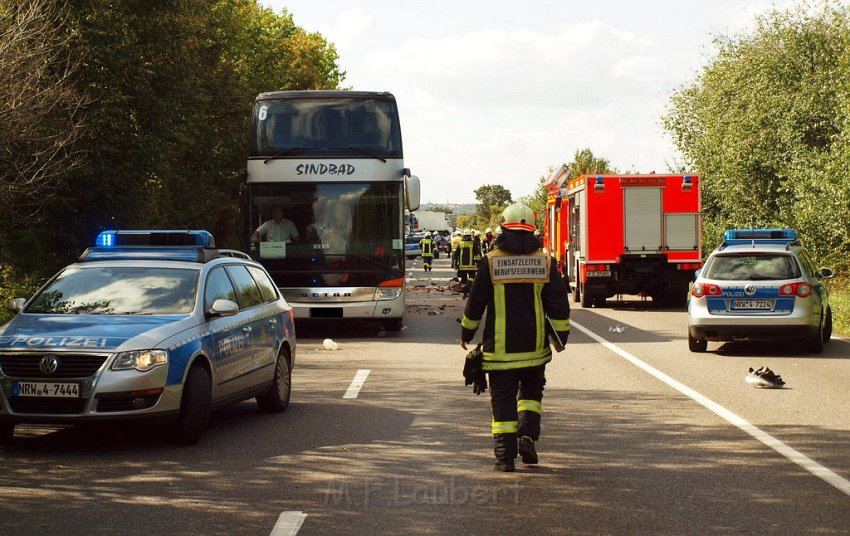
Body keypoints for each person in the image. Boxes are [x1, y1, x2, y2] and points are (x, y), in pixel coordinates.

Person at [460, 202, 571, 472]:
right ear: (533, 228)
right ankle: (527, 437)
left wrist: (467, 331)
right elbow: (558, 304)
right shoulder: (545, 261)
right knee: (531, 395)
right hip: (535, 350)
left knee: (503, 400)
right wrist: (561, 337)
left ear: (503, 227)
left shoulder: (490, 261)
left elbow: (476, 302)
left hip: (499, 352)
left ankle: (504, 457)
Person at [455, 228, 480, 293]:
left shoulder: (460, 243)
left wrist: (455, 263)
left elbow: (456, 254)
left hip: (462, 265)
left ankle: (464, 289)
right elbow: (477, 253)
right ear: (470, 235)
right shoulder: (473, 242)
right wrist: (478, 262)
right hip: (471, 265)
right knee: (472, 277)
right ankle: (469, 286)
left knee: (463, 278)